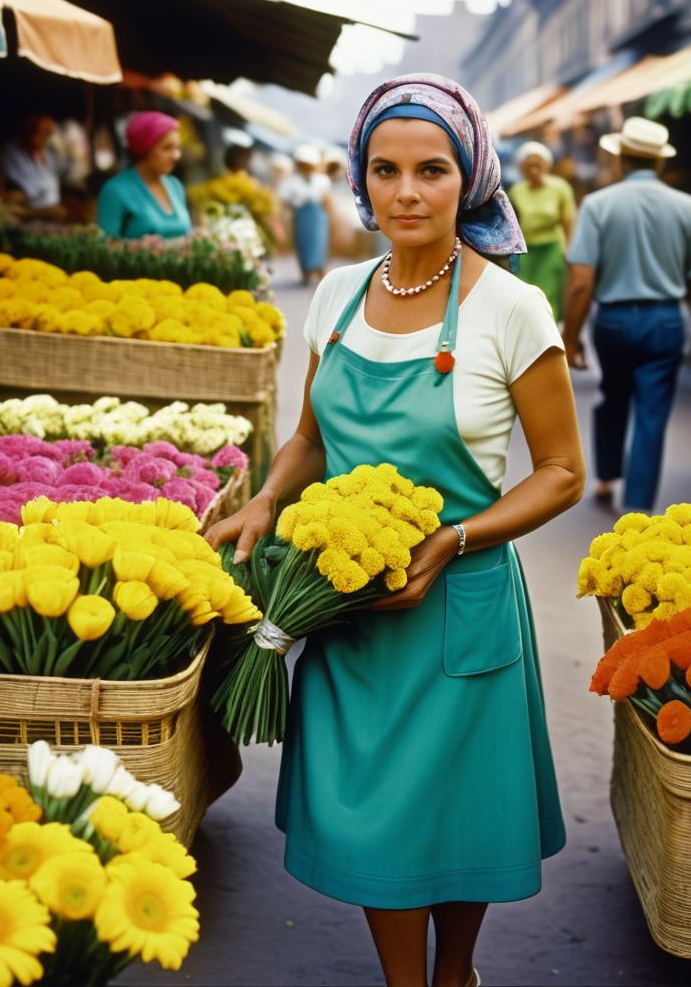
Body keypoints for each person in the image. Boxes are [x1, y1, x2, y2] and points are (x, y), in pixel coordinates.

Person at [206, 72, 584, 987]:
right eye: (385, 170)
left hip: (457, 601)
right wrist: (263, 498)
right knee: (372, 811)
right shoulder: (335, 295)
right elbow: (307, 437)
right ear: (360, 180)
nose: (407, 192)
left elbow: (563, 471)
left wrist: (452, 539)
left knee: (455, 812)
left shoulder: (509, 308)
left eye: (432, 170)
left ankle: (455, 970)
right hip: (345, 608)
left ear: (471, 180)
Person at [562, 116, 691, 512]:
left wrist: (570, 338)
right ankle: (638, 506)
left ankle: (607, 477)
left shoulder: (598, 204)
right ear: (659, 162)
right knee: (652, 413)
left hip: (613, 320)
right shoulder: (689, 207)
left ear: (622, 157)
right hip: (665, 320)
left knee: (613, 394)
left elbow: (580, 280)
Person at [508, 141, 576, 321]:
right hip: (526, 252)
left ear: (546, 166)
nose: (534, 169)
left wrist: (569, 249)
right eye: (529, 165)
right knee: (525, 296)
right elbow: (512, 223)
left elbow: (568, 220)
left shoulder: (559, 187)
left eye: (538, 165)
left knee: (549, 295)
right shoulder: (517, 190)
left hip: (551, 249)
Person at [97, 112, 191, 240]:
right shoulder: (115, 190)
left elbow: (185, 234)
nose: (176, 156)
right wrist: (138, 247)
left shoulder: (175, 186)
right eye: (167, 148)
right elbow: (104, 246)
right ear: (145, 148)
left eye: (177, 148)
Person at [278, 144, 331, 284]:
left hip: (317, 216)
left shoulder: (321, 180)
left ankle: (319, 270)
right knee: (303, 244)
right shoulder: (291, 182)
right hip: (301, 216)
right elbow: (284, 201)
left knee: (319, 243)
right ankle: (307, 273)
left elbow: (326, 201)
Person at [0, 115, 66, 220]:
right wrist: (42, 212)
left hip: (51, 217)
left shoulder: (48, 154)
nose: (43, 138)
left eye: (47, 134)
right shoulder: (10, 153)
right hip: (27, 217)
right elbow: (19, 193)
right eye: (36, 132)